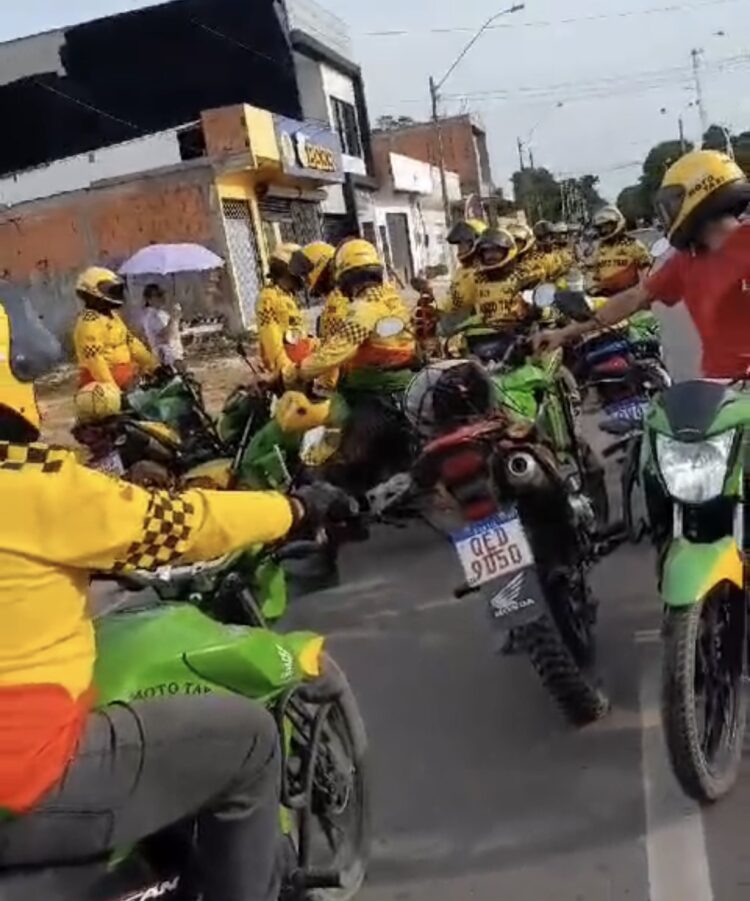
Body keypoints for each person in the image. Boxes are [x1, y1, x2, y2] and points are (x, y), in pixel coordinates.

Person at [0, 283, 350, 901]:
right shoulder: (34, 491)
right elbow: (183, 523)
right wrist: (292, 509)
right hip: (26, 778)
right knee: (251, 740)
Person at [535, 149, 750, 380]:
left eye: (673, 200)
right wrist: (565, 333)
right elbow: (633, 298)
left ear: (700, 190)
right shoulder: (685, 261)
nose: (669, 212)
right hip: (720, 390)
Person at [73, 267, 157, 389]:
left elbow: (131, 342)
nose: (116, 294)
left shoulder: (113, 317)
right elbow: (95, 361)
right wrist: (112, 389)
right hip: (101, 378)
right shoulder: (89, 323)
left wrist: (154, 365)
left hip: (124, 371)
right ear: (92, 292)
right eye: (111, 290)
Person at [256, 243, 315, 385]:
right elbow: (271, 338)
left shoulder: (287, 295)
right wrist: (284, 370)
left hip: (299, 368)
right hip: (285, 373)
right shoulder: (269, 297)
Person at [289, 241, 349, 341]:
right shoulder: (339, 297)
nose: (306, 280)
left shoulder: (338, 302)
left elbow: (334, 348)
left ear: (319, 264)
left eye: (305, 274)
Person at [585, 205, 651, 295]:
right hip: (604, 295)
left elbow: (646, 269)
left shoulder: (633, 244)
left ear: (617, 223)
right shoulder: (598, 247)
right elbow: (592, 273)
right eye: (601, 227)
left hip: (629, 294)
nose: (604, 230)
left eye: (607, 226)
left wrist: (643, 290)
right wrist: (591, 289)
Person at [140, 283, 185, 368]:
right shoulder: (151, 316)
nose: (163, 297)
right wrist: (173, 318)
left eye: (162, 294)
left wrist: (177, 321)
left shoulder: (162, 313)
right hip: (166, 358)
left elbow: (173, 331)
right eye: (158, 295)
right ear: (149, 299)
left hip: (175, 354)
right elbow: (165, 335)